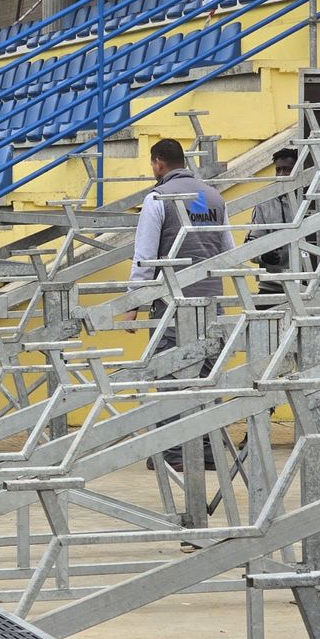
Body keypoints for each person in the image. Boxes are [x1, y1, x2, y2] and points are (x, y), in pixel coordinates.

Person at [129, 139, 234, 470]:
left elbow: (145, 257)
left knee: (171, 373)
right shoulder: (214, 198)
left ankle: (174, 453)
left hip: (173, 303)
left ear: (158, 163)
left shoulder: (158, 198)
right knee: (206, 375)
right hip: (211, 301)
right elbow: (228, 251)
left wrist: (134, 302)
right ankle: (208, 450)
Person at [245, 148, 299, 305]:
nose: (281, 175)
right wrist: (264, 256)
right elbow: (251, 245)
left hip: (308, 285)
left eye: (287, 170)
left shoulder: (313, 200)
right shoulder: (265, 201)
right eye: (278, 170)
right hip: (272, 285)